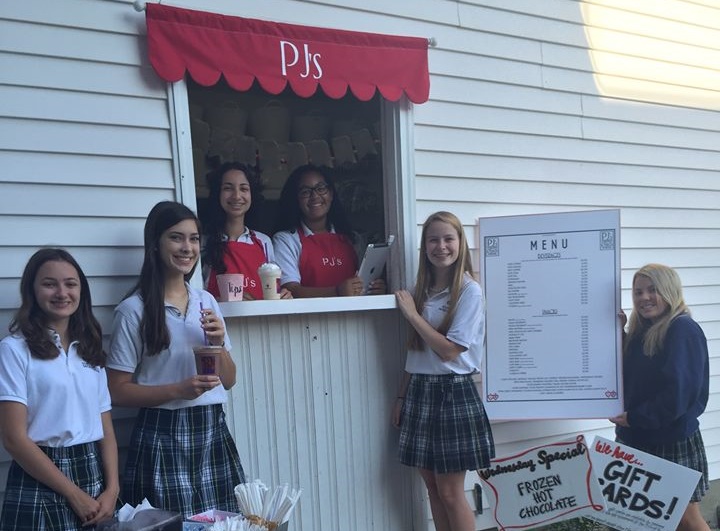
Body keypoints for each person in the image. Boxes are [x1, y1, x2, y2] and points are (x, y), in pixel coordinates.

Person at [107, 201, 245, 518]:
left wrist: (218, 342)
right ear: (155, 244)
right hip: (161, 434)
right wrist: (178, 390)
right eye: (176, 237)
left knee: (223, 523)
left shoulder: (206, 300)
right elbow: (116, 390)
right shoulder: (134, 309)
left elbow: (230, 380)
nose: (187, 247)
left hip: (212, 429)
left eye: (194, 239)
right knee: (173, 525)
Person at [0, 248, 119, 530]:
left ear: (82, 290)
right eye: (49, 283)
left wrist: (112, 490)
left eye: (70, 283)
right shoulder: (14, 350)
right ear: (32, 290)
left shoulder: (90, 349)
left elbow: (107, 431)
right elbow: (14, 439)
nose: (61, 292)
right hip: (40, 480)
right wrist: (74, 495)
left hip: (94, 479)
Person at [393, 211, 495, 531]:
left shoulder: (469, 291)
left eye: (448, 238)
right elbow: (416, 350)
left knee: (451, 492)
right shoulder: (422, 290)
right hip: (420, 391)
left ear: (460, 243)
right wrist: (401, 396)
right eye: (433, 240)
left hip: (453, 391)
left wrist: (412, 314)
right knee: (433, 488)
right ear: (425, 247)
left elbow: (450, 351)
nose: (441, 246)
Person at [610, 264, 710, 531]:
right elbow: (635, 374)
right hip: (637, 436)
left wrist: (636, 417)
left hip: (669, 438)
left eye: (653, 290)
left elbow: (678, 393)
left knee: (685, 518)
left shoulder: (681, 329)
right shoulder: (644, 331)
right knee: (645, 520)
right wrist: (618, 334)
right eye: (638, 291)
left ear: (670, 290)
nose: (644, 297)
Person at [272, 164, 385, 298]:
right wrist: (337, 292)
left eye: (321, 188)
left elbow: (362, 283)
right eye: (305, 192)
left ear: (331, 194)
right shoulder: (286, 240)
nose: (315, 196)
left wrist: (375, 288)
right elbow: (291, 291)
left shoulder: (352, 239)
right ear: (296, 199)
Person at [203, 162, 291, 300]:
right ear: (217, 193)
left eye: (244, 189)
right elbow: (195, 296)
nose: (236, 196)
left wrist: (284, 296)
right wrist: (225, 300)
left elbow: (273, 289)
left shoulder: (264, 241)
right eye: (228, 188)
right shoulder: (203, 241)